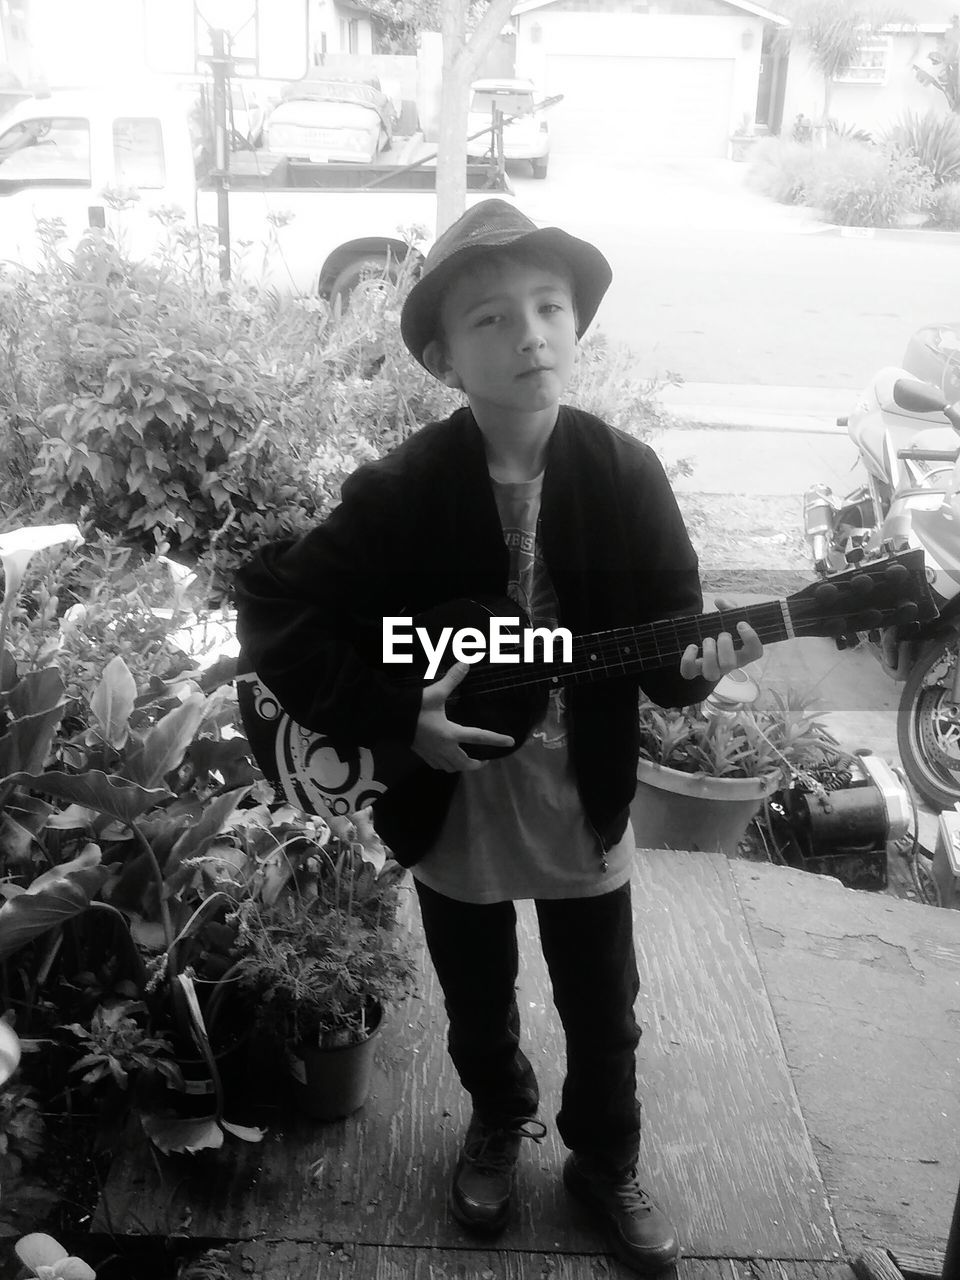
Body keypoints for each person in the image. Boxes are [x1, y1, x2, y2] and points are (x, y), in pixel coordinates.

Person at [234, 198, 764, 1275]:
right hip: (455, 795)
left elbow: (660, 656)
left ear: (576, 325)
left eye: (549, 306)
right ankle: (495, 1113)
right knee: (476, 993)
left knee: (603, 1002)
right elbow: (277, 609)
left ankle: (604, 1156)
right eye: (490, 319)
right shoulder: (400, 493)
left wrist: (701, 666)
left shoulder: (627, 475)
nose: (528, 333)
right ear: (440, 357)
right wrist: (394, 715)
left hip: (585, 793)